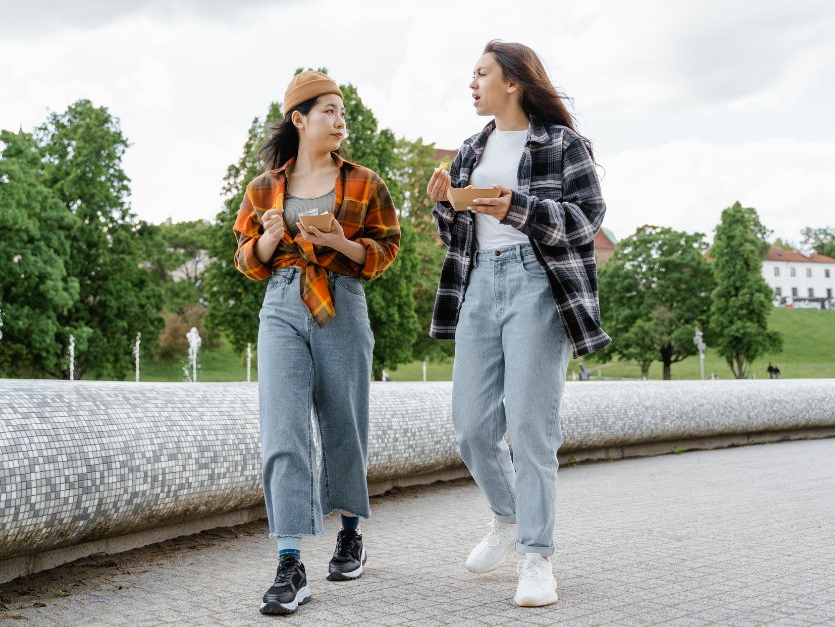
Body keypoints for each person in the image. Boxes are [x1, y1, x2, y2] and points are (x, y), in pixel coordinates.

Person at [427, 41, 609, 607]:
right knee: (470, 427)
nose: (472, 83)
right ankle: (507, 517)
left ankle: (536, 556)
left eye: (481, 73)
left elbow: (587, 219)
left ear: (513, 81)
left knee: (531, 428)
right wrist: (445, 204)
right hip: (479, 284)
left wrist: (514, 207)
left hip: (537, 283)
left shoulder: (562, 143)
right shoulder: (469, 149)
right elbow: (455, 232)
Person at [232, 71, 401, 615]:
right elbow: (244, 259)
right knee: (282, 430)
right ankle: (289, 563)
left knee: (344, 423)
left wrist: (341, 243)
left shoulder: (365, 182)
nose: (339, 119)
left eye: (342, 110)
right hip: (281, 303)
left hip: (341, 298)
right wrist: (267, 241)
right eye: (328, 110)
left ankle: (350, 532)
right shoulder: (263, 188)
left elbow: (386, 249)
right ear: (298, 119)